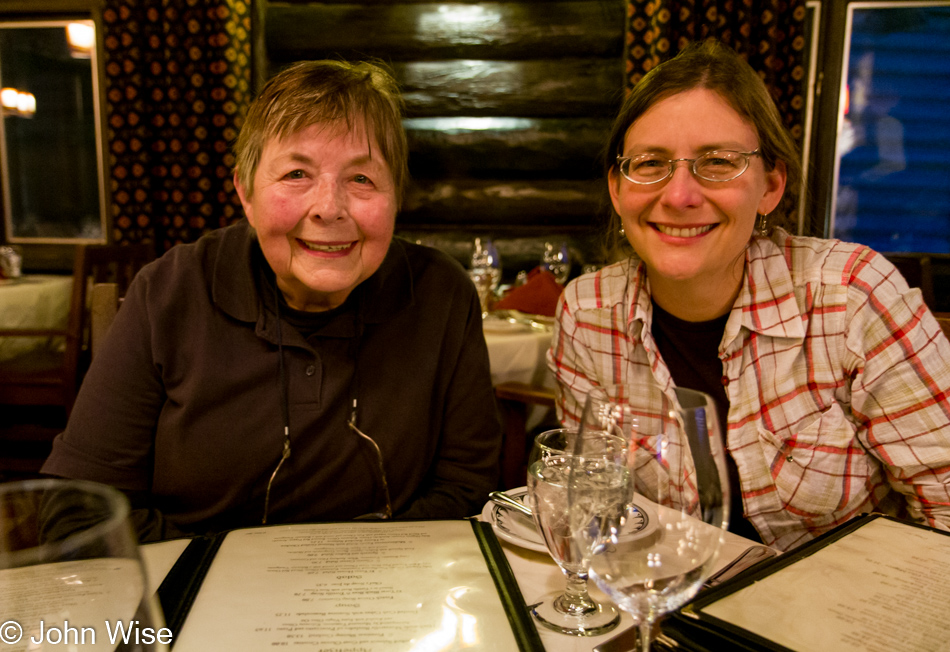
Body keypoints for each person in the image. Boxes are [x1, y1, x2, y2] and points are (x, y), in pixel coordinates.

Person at [43, 60, 502, 541]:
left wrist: (348, 580)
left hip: (382, 600)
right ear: (245, 192)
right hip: (195, 598)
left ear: (396, 196)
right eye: (297, 173)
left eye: (362, 179)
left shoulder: (441, 296)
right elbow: (79, 515)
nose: (329, 207)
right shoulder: (169, 292)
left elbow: (465, 487)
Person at [548, 40, 950, 552]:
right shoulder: (587, 315)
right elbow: (598, 508)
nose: (678, 195)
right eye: (650, 163)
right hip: (667, 601)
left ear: (771, 186)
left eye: (717, 161)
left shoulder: (852, 296)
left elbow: (945, 506)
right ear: (617, 190)